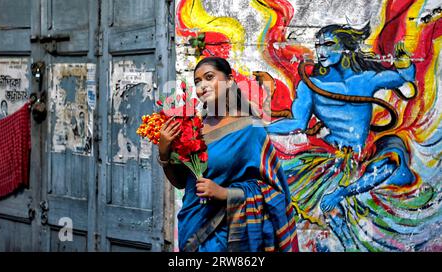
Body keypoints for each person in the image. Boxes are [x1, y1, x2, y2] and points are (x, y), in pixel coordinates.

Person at [266, 23, 434, 251]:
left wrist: (404, 62)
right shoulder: (311, 85)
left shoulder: (365, 79)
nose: (321, 51)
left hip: (362, 155)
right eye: (318, 45)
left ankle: (344, 192)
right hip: (333, 157)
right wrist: (260, 129)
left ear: (346, 48)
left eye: (328, 44)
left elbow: (405, 81)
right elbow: (297, 123)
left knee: (394, 154)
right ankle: (347, 244)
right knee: (326, 206)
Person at [158, 56, 299, 252]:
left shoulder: (249, 130)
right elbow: (183, 182)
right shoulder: (193, 127)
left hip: (226, 235)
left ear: (230, 81)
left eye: (209, 77)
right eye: (197, 82)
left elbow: (275, 192)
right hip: (190, 228)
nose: (202, 86)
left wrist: (224, 193)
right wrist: (164, 153)